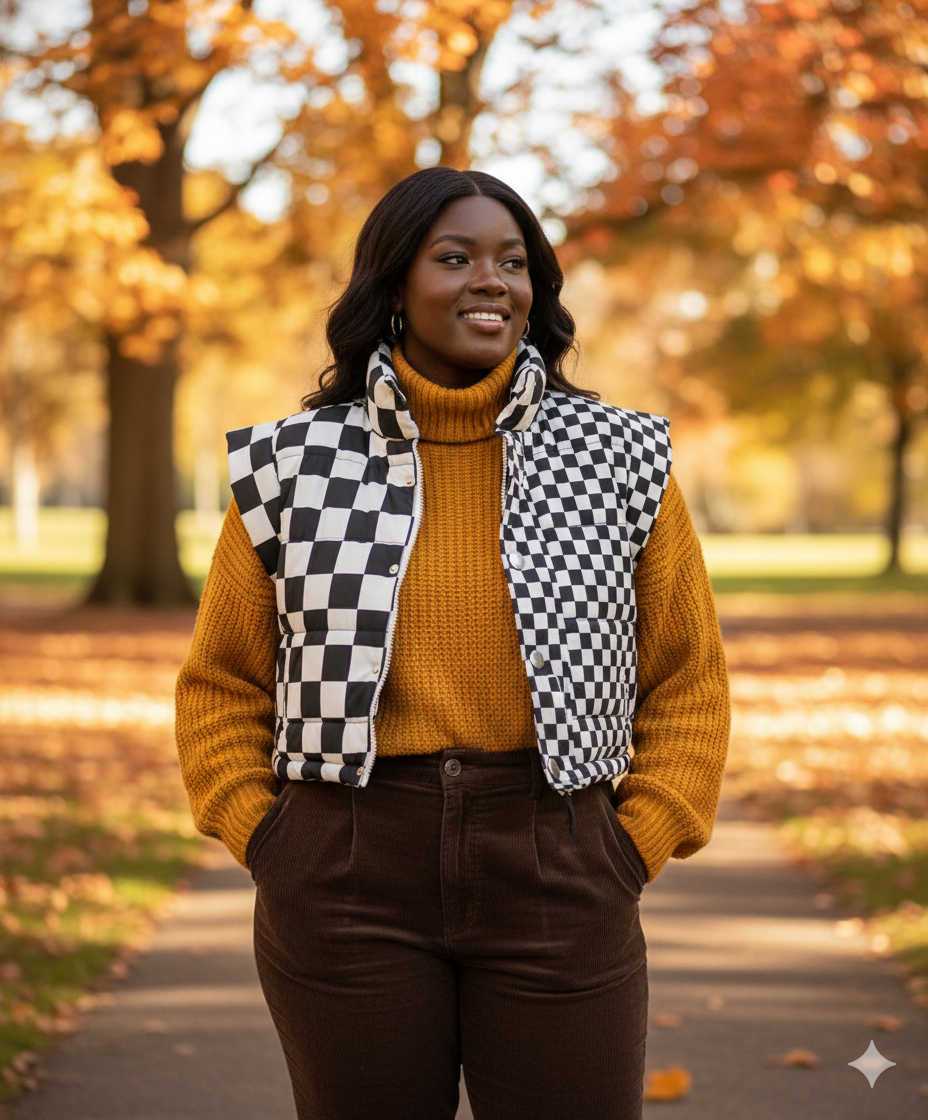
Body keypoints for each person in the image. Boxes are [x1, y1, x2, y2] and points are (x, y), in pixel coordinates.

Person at [175, 166, 730, 1120]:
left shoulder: (618, 456)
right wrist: (268, 835)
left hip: (560, 863)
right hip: (343, 866)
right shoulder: (292, 464)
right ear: (394, 286)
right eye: (456, 257)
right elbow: (222, 681)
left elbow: (687, 675)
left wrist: (634, 841)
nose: (492, 280)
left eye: (513, 262)